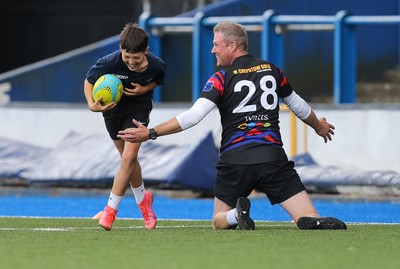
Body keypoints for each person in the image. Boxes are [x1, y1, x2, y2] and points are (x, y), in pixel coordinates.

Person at [117, 21, 346, 230]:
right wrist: (318, 126)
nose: (213, 50)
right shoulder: (273, 71)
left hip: (235, 162)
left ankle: (236, 215)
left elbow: (194, 116)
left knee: (219, 220)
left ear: (233, 45)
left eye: (216, 45)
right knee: (307, 215)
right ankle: (308, 219)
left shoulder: (221, 78)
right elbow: (298, 105)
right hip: (272, 159)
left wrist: (152, 132)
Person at [83, 22, 166, 231]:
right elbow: (89, 81)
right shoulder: (108, 62)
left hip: (138, 110)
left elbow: (158, 79)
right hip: (112, 112)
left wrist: (143, 89)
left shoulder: (157, 64)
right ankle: (144, 200)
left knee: (129, 158)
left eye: (136, 58)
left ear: (146, 51)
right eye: (126, 57)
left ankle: (110, 211)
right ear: (121, 49)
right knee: (127, 160)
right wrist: (92, 105)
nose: (131, 62)